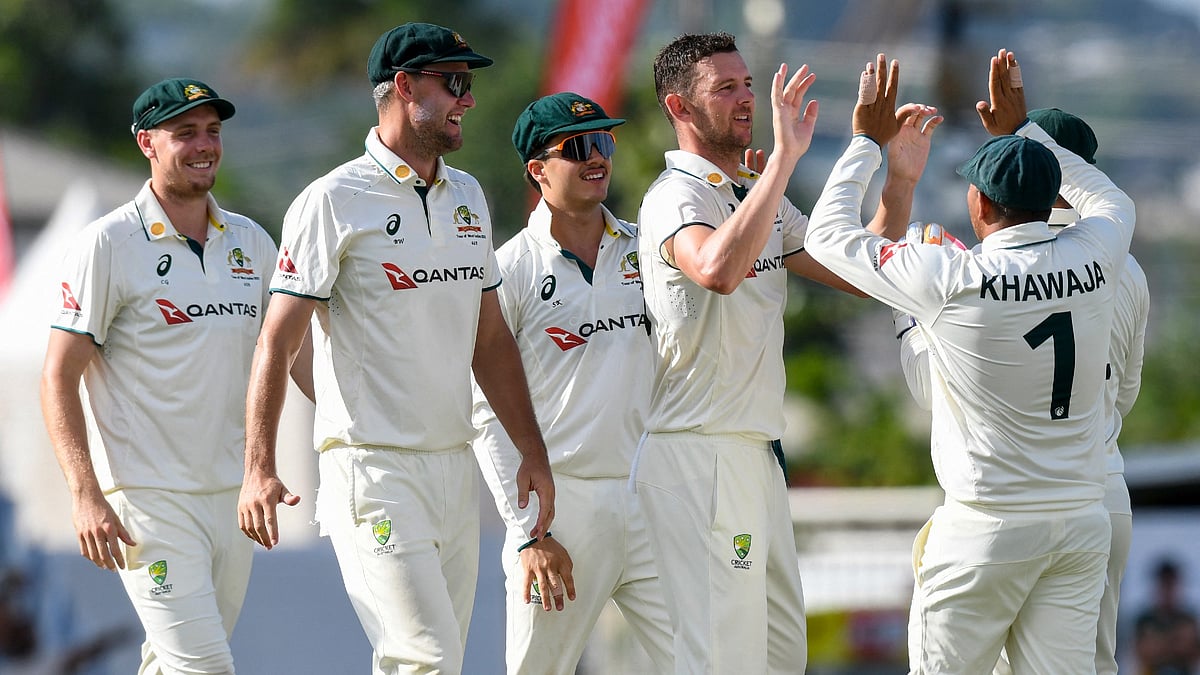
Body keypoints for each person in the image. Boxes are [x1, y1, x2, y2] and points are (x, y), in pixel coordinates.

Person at [235, 22, 555, 674]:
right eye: (454, 83)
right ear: (404, 86)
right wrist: (259, 465)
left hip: (450, 468)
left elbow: (489, 339)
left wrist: (533, 450)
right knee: (424, 658)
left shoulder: (467, 196)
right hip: (372, 472)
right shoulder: (331, 200)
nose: (468, 99)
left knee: (432, 661)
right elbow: (277, 338)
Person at [804, 49, 1135, 673]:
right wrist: (1024, 132)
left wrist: (866, 143)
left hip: (987, 528)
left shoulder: (953, 277)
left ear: (980, 207)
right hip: (1078, 523)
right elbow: (1106, 195)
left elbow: (827, 239)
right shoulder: (1101, 252)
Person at [633, 32, 932, 673]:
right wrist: (781, 163)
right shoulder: (674, 197)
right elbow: (716, 267)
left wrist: (896, 178)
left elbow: (858, 268)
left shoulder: (752, 191)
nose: (746, 100)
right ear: (678, 108)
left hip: (755, 457)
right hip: (698, 456)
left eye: (747, 84)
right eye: (725, 88)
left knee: (779, 656)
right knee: (724, 659)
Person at [40, 77, 310, 673]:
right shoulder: (106, 243)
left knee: (170, 664)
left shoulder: (251, 242)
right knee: (206, 666)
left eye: (212, 132)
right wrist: (86, 495)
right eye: (184, 132)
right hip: (148, 499)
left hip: (234, 497)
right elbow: (59, 376)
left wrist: (356, 431)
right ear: (147, 143)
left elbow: (295, 356)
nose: (204, 145)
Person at [471, 92, 673, 673]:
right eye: (579, 147)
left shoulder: (649, 250)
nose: (598, 158)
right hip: (561, 507)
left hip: (653, 497)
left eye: (604, 142)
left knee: (702, 661)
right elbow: (484, 410)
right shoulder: (508, 269)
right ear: (537, 170)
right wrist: (528, 532)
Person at [1135, 558, 1200, 675]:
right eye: (1164, 584)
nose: (1168, 590)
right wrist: (1177, 641)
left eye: (1171, 584)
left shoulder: (1188, 618)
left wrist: (1158, 643)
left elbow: (1194, 653)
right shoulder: (1145, 619)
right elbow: (1143, 652)